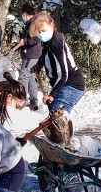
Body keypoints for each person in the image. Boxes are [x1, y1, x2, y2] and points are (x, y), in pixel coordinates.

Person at [28, 11, 85, 146]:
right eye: (38, 32)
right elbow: (44, 55)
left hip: (72, 85)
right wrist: (39, 65)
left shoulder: (56, 43)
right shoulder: (46, 43)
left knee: (58, 115)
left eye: (43, 30)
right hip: (63, 84)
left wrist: (53, 94)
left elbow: (63, 74)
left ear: (52, 25)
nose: (41, 34)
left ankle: (66, 147)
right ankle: (60, 148)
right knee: (54, 115)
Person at [7, 4, 41, 111]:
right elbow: (25, 39)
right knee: (31, 78)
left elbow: (37, 39)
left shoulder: (34, 23)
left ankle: (20, 102)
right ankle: (34, 103)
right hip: (29, 55)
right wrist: (17, 45)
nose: (22, 16)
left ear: (25, 14)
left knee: (23, 77)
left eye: (22, 14)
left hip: (32, 55)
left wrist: (25, 41)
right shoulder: (28, 24)